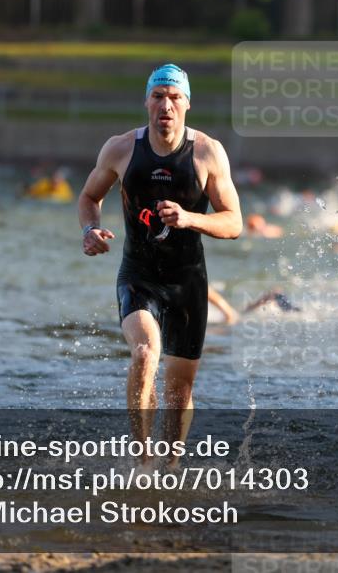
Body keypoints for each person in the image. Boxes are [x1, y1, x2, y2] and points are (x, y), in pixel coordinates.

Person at [78, 64, 242, 469]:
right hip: (139, 275)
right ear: (147, 102)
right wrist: (90, 229)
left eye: (174, 97)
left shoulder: (207, 152)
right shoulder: (120, 149)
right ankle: (141, 458)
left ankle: (169, 466)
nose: (165, 104)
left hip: (188, 282)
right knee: (146, 352)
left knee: (179, 392)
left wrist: (190, 219)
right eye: (157, 96)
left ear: (187, 103)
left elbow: (234, 221)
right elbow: (88, 197)